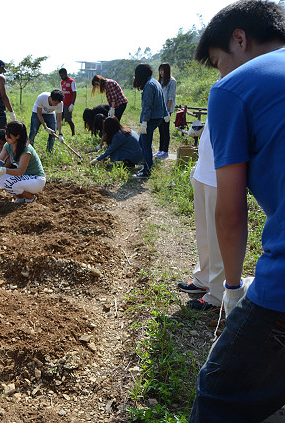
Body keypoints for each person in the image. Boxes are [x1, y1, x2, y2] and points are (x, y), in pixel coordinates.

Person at [189, 1, 285, 421]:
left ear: (239, 39)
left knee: (219, 395)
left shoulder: (235, 88)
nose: (221, 73)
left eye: (217, 61)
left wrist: (231, 287)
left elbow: (230, 212)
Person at [175, 121, 224, 311]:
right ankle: (204, 277)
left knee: (217, 237)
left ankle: (218, 293)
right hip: (204, 170)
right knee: (204, 233)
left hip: (220, 174)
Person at [0, 121, 46, 204]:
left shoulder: (26, 150)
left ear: (17, 136)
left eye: (9, 136)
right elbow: (0, 159)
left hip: (36, 179)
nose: (6, 137)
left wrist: (4, 170)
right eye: (6, 134)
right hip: (24, 178)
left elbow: (21, 171)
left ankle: (30, 197)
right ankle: (20, 197)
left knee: (9, 182)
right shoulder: (8, 145)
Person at [132, 64, 169, 179]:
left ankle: (146, 171)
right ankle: (145, 164)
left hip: (151, 118)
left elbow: (148, 106)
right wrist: (165, 113)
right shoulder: (155, 82)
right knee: (142, 142)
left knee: (146, 144)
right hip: (158, 117)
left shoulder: (149, 85)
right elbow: (162, 99)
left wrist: (144, 122)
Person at [155, 63, 177, 159]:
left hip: (167, 110)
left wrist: (167, 112)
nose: (161, 72)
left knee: (165, 130)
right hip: (160, 109)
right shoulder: (161, 81)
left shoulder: (172, 82)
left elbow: (170, 97)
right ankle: (160, 150)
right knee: (160, 130)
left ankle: (165, 151)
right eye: (160, 70)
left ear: (167, 71)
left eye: (163, 70)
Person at [59, 68, 77, 135]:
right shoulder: (62, 82)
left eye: (62, 75)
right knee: (59, 118)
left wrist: (72, 104)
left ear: (66, 74)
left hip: (68, 104)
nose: (61, 77)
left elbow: (74, 93)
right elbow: (62, 92)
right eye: (60, 76)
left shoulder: (72, 81)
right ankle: (58, 133)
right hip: (62, 104)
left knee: (68, 120)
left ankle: (73, 133)